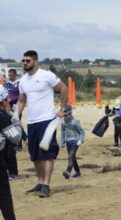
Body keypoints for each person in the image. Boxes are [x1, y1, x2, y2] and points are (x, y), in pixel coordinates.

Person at [17, 50, 68, 197]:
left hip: (47, 120)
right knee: (35, 155)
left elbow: (63, 89)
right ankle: (40, 183)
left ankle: (46, 184)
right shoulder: (23, 81)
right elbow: (21, 100)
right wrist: (16, 116)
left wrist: (62, 109)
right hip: (32, 121)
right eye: (23, 61)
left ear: (35, 61)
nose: (25, 63)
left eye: (28, 61)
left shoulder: (47, 75)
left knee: (46, 153)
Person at [0, 85, 23, 220]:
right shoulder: (2, 117)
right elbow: (16, 138)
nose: (9, 102)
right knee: (4, 195)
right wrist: (16, 119)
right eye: (7, 99)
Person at [61, 104, 85, 179]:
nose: (65, 117)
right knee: (72, 157)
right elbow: (62, 133)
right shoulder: (63, 123)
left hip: (75, 141)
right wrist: (62, 142)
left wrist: (81, 140)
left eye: (66, 115)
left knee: (71, 155)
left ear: (70, 114)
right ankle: (78, 172)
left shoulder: (75, 122)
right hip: (68, 142)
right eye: (63, 116)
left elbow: (81, 131)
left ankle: (68, 171)